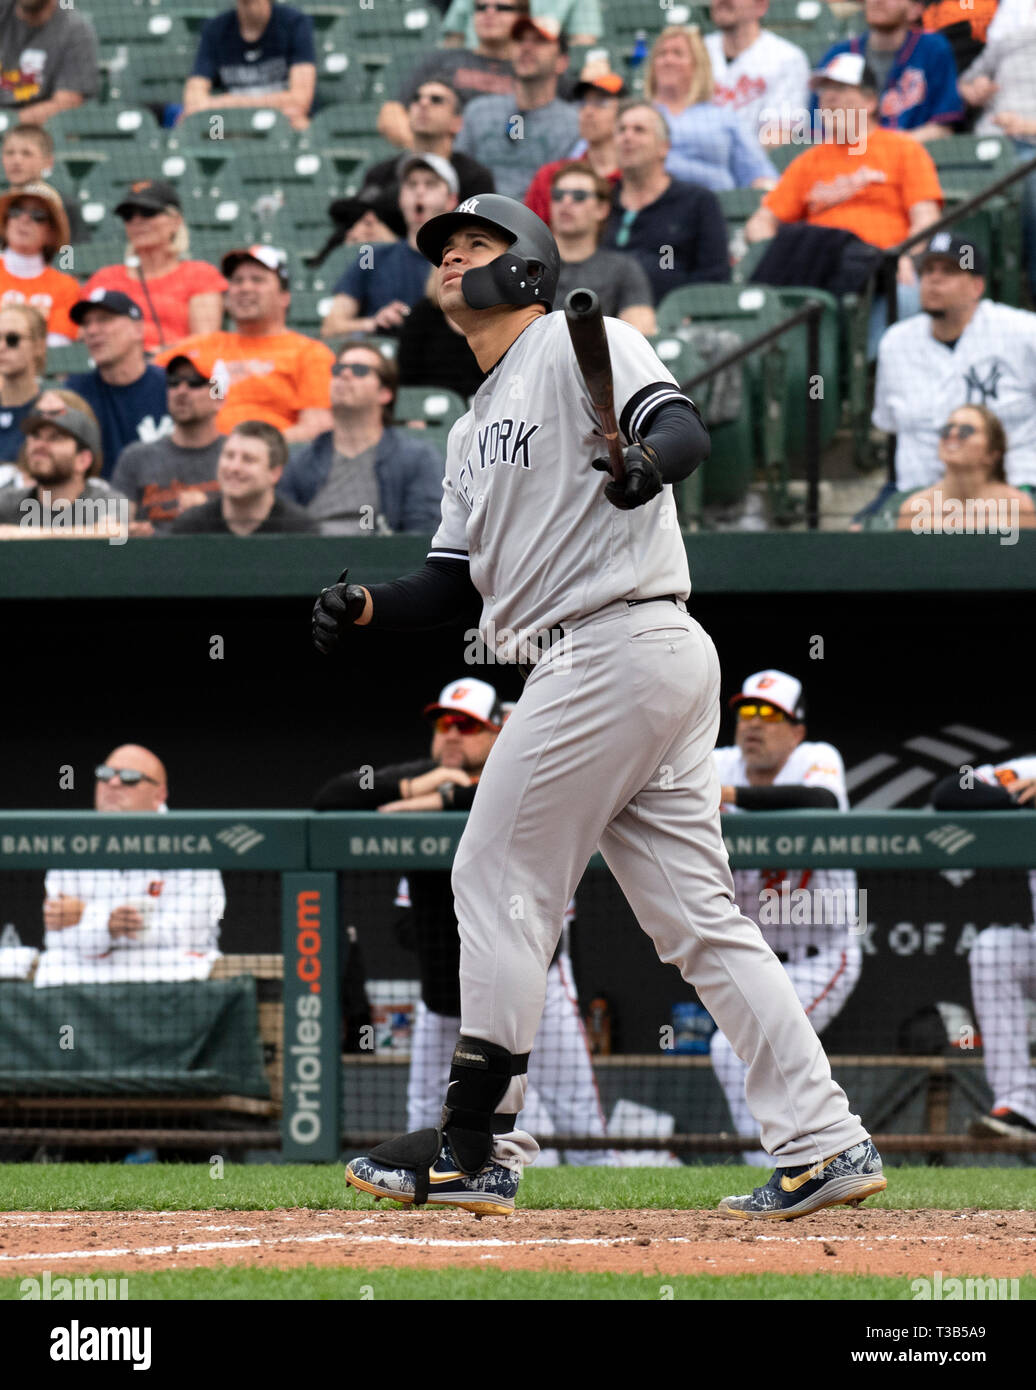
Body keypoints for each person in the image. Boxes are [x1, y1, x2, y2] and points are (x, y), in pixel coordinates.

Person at [313, 192, 886, 1220]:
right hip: (615, 659)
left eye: (474, 244)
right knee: (701, 923)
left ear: (525, 263)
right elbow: (449, 586)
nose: (451, 259)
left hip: (617, 642)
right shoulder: (467, 423)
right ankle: (825, 1139)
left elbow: (682, 429)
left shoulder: (584, 337)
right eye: (440, 250)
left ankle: (476, 1140)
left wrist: (642, 468)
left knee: (491, 872)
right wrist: (363, 604)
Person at [314, 677, 613, 1164]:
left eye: (468, 725)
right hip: (443, 990)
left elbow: (524, 793)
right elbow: (330, 799)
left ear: (499, 731)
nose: (452, 734)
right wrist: (417, 787)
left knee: (578, 1114)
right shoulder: (421, 774)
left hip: (533, 981)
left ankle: (614, 1217)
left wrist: (434, 802)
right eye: (444, 723)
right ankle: (421, 1197)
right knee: (422, 1115)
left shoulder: (524, 769)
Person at [711, 671, 862, 1164]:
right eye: (747, 713)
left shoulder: (816, 758)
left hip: (821, 954)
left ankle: (787, 1162)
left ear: (796, 729)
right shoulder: (719, 761)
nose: (754, 725)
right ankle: (802, 1159)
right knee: (751, 1047)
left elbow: (821, 801)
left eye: (771, 715)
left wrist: (728, 797)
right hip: (755, 959)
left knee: (742, 1046)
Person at [744, 56, 941, 345]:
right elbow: (761, 222)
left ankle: (870, 379)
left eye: (840, 88)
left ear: (870, 101)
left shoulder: (903, 149)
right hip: (823, 268)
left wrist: (904, 256)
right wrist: (770, 249)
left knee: (906, 291)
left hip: (881, 271)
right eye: (824, 89)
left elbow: (925, 217)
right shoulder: (808, 161)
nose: (829, 97)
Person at [870, 232, 1036, 502]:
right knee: (857, 534)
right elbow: (887, 422)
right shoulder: (896, 343)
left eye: (949, 271)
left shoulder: (1024, 332)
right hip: (918, 494)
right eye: (928, 270)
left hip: (1016, 488)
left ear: (976, 286)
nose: (934, 279)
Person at [40, 746, 225, 983]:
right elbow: (55, 938)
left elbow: (191, 937)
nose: (113, 783)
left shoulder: (194, 845)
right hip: (86, 991)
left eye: (129, 778)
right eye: (105, 774)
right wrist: (109, 924)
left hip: (174, 991)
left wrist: (90, 917)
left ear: (160, 794)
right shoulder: (72, 842)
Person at [930, 754, 1036, 1141]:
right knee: (995, 950)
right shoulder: (1029, 772)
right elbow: (951, 788)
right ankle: (1020, 1108)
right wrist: (1018, 801)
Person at [154, 245, 333, 444]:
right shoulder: (201, 346)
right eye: (237, 281)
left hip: (269, 463)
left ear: (284, 297)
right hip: (197, 459)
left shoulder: (309, 353)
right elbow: (140, 374)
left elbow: (317, 428)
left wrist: (249, 447)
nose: (245, 288)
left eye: (257, 280)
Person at [278, 339, 444, 536]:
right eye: (338, 369)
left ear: (384, 393)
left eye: (359, 370)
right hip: (312, 560)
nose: (345, 374)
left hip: (380, 562)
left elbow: (422, 535)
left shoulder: (417, 459)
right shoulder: (299, 460)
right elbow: (283, 533)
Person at [602, 101, 731, 303]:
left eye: (639, 130)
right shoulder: (599, 201)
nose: (627, 136)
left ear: (664, 147)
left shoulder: (698, 202)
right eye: (621, 130)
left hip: (671, 322)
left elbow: (715, 278)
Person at [321, 154, 460, 340]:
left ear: (451, 200)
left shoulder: (461, 261)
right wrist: (374, 322)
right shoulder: (370, 255)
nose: (419, 191)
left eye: (430, 184)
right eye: (411, 184)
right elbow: (331, 326)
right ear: (400, 198)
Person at [81, 181, 227, 354]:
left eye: (148, 212)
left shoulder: (200, 274)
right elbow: (84, 336)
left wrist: (153, 357)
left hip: (176, 374)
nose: (136, 221)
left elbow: (205, 342)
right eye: (128, 215)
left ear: (175, 221)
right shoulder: (104, 278)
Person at [453, 16, 580, 202]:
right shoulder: (479, 111)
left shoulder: (575, 123)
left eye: (539, 41)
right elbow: (458, 176)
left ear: (562, 62)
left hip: (538, 223)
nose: (526, 47)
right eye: (520, 40)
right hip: (478, 217)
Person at [643, 26, 777, 192]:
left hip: (717, 207)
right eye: (661, 54)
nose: (668, 60)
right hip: (654, 207)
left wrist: (766, 189)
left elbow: (759, 172)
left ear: (698, 65)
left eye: (677, 53)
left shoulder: (725, 118)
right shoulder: (638, 116)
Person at [958, 23, 1036, 301]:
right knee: (958, 196)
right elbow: (965, 83)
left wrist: (1027, 126)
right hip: (987, 144)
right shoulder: (1013, 37)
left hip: (1029, 151)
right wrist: (974, 89)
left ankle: (1019, 292)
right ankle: (967, 287)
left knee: (1029, 182)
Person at [110, 350, 224, 535]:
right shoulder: (136, 457)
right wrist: (128, 532)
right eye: (173, 383)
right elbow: (115, 525)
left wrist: (209, 512)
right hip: (149, 560)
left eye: (195, 383)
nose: (181, 391)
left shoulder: (236, 457)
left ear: (219, 397)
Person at [814, 0, 963, 140]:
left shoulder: (933, 49)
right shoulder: (839, 55)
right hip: (848, 158)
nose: (878, 1)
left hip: (912, 159)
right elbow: (817, 127)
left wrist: (887, 148)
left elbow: (942, 127)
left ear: (915, 9)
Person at [65, 290, 171, 480]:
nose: (91, 331)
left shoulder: (173, 386)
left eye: (104, 320)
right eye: (86, 323)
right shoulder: (74, 393)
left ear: (137, 329)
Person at [549, 162, 656, 335]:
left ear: (602, 209)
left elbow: (640, 338)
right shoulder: (529, 266)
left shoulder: (624, 269)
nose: (566, 202)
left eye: (579, 196)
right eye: (558, 195)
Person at [895, 404, 1036, 532]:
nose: (953, 434)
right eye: (947, 429)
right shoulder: (915, 508)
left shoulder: (1018, 507)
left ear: (992, 454)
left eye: (966, 430)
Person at [180, 0, 316, 133]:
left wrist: (222, 103)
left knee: (300, 123)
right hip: (231, 126)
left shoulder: (294, 23)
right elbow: (193, 102)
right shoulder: (215, 28)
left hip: (278, 123)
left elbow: (300, 101)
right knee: (197, 128)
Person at [0, 388, 123, 533]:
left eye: (55, 437)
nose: (39, 445)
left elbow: (112, 532)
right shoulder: (7, 503)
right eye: (35, 435)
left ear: (83, 460)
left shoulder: (105, 504)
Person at [170, 419, 315, 535]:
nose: (234, 467)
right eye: (229, 456)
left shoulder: (300, 531)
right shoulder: (191, 528)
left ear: (274, 473)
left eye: (248, 459)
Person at [364, 83, 496, 207]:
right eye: (416, 98)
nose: (423, 103)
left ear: (457, 123)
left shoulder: (476, 179)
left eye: (436, 100)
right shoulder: (380, 175)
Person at [523, 70, 625, 225]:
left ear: (624, 113)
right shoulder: (550, 176)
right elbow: (529, 237)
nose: (588, 111)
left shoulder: (635, 182)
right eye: (583, 103)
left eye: (600, 103)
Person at [705, 0, 811, 148]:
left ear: (761, 6)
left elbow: (781, 133)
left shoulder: (786, 57)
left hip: (754, 167)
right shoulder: (693, 52)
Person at [0, 0, 99, 126]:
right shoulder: (3, 10)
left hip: (38, 128)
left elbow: (68, 100)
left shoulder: (75, 29)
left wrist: (13, 120)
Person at [0, 181, 77, 343]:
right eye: (15, 211)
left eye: (38, 215)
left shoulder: (66, 288)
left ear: (52, 232)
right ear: (6, 222)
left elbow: (57, 348)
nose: (24, 219)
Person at [1, 123, 88, 242]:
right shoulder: (2, 204)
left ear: (48, 162)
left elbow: (72, 256)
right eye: (9, 153)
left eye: (27, 153)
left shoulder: (64, 206)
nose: (16, 160)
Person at [0, 300, 43, 464]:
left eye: (13, 339)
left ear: (38, 346)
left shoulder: (52, 414)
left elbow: (52, 489)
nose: (1, 346)